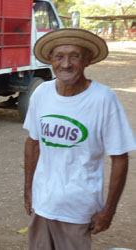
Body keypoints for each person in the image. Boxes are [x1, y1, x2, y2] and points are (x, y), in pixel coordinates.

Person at [23, 28, 136, 250]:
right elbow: (33, 143)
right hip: (42, 203)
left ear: (87, 60)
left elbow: (120, 157)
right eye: (59, 57)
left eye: (74, 56)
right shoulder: (41, 93)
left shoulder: (103, 99)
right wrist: (28, 189)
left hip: (77, 209)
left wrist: (108, 211)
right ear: (50, 60)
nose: (66, 64)